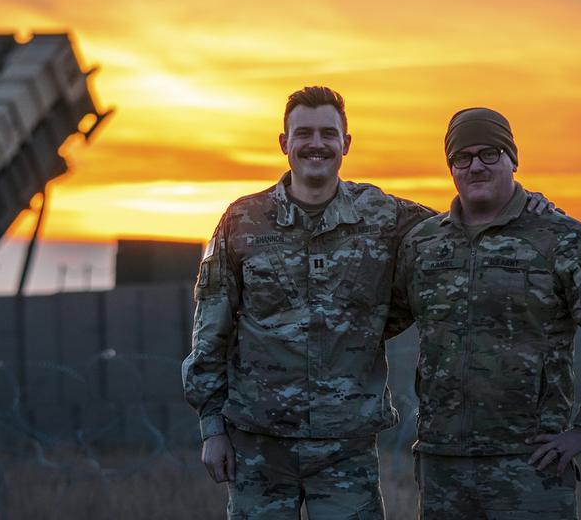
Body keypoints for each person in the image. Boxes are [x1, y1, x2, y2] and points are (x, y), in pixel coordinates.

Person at [181, 89, 549, 519]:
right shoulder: (243, 221)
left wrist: (527, 207)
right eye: (304, 133)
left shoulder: (383, 215)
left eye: (327, 133)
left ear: (345, 143)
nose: (315, 144)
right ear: (284, 143)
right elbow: (211, 330)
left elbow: (463, 225)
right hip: (259, 445)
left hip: (346, 449)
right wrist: (212, 429)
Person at [391, 107, 581, 519]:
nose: (476, 166)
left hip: (530, 464)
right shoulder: (423, 243)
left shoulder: (561, 238)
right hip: (442, 463)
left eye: (489, 153)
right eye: (463, 157)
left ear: (512, 158)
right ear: (451, 167)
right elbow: (383, 318)